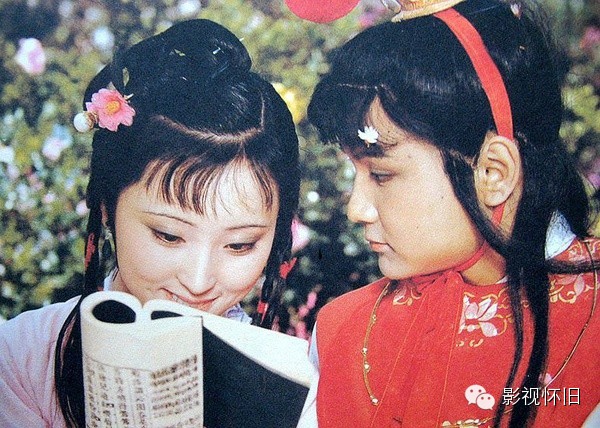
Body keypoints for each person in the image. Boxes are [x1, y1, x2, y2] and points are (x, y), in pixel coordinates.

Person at [298, 0, 600, 426]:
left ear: (493, 172)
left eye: (381, 175)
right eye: (355, 173)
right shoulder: (342, 332)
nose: (357, 209)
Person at [0, 19, 299, 427]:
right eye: (168, 235)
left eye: (239, 245)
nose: (198, 282)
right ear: (107, 208)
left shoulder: (293, 384)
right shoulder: (22, 357)